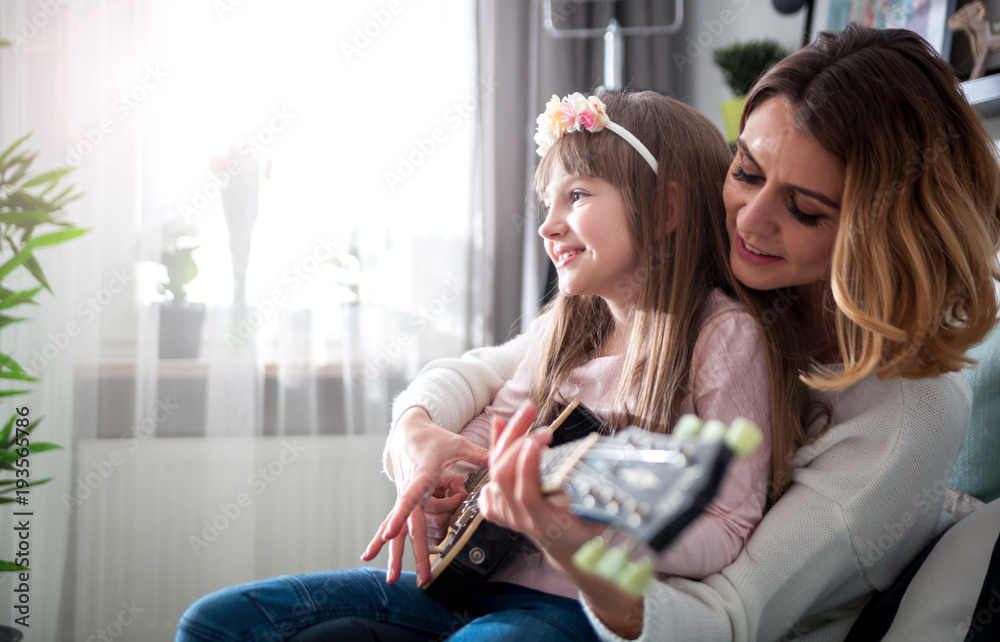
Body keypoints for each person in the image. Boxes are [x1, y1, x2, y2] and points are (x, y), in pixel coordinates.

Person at [376, 23, 1000, 641]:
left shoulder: (907, 414)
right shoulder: (734, 286)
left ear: (886, 232)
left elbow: (727, 619)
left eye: (805, 209)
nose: (748, 222)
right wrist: (415, 431)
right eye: (747, 172)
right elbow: (499, 368)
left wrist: (575, 542)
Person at [176, 88, 783, 641]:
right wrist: (450, 493)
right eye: (548, 202)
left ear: (663, 211)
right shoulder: (566, 329)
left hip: (575, 612)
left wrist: (584, 531)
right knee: (217, 623)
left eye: (576, 195)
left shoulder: (721, 336)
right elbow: (483, 443)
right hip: (469, 584)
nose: (547, 227)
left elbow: (728, 528)